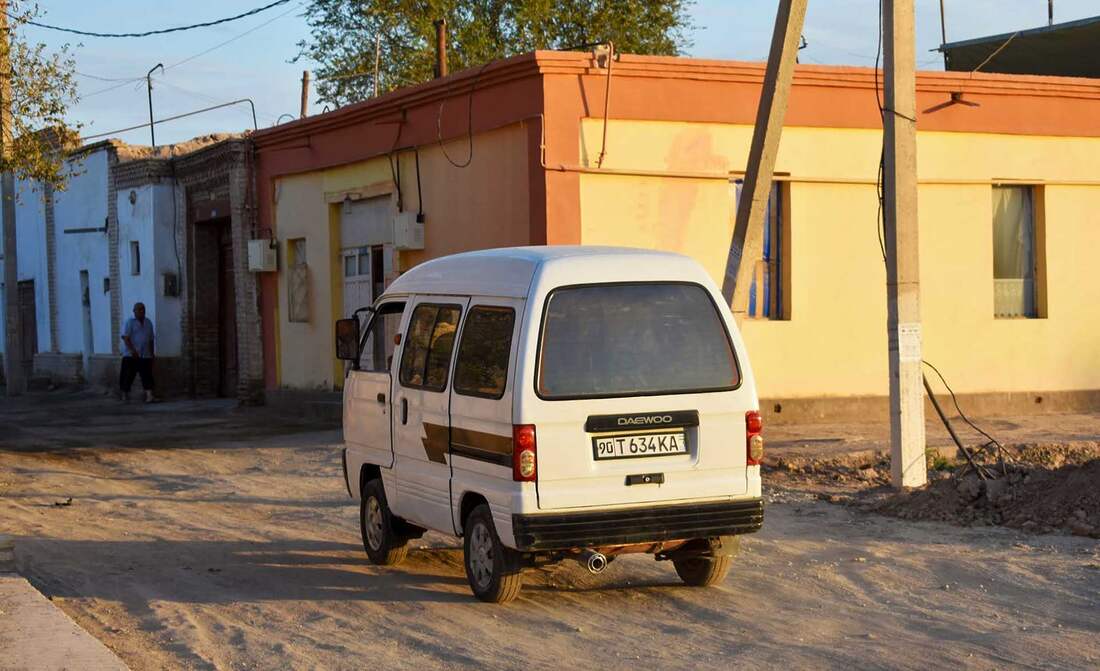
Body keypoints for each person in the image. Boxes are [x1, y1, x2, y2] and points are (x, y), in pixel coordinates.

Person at [120, 302, 156, 403]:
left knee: (147, 375)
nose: (141, 311)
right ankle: (124, 394)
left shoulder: (148, 322)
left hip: (145, 355)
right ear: (134, 311)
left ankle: (149, 395)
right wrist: (132, 350)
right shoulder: (129, 322)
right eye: (139, 309)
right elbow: (125, 337)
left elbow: (151, 339)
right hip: (131, 355)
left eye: (143, 309)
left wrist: (152, 353)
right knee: (128, 375)